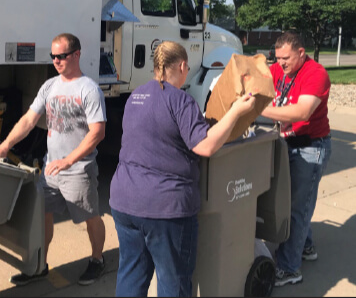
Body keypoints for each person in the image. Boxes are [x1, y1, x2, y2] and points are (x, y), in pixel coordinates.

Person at [109, 41, 256, 297]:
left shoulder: (136, 95)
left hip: (124, 203)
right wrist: (236, 111)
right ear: (183, 66)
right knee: (173, 282)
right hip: (165, 209)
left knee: (131, 275)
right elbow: (205, 146)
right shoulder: (180, 100)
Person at [0, 33, 107, 286]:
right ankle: (39, 266)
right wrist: (4, 146)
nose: (56, 61)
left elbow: (98, 132)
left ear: (76, 54)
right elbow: (28, 121)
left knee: (90, 217)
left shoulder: (89, 89)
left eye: (62, 56)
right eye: (53, 56)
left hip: (78, 170)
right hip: (51, 169)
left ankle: (97, 260)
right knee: (42, 216)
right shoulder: (49, 86)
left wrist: (69, 161)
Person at [261, 31, 332, 287]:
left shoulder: (316, 74)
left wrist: (258, 108)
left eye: (286, 58)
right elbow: (261, 82)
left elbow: (301, 111)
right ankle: (307, 246)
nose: (280, 63)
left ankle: (290, 269)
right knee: (293, 203)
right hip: (288, 144)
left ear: (301, 53)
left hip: (310, 148)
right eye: (277, 58)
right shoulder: (280, 70)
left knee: (298, 208)